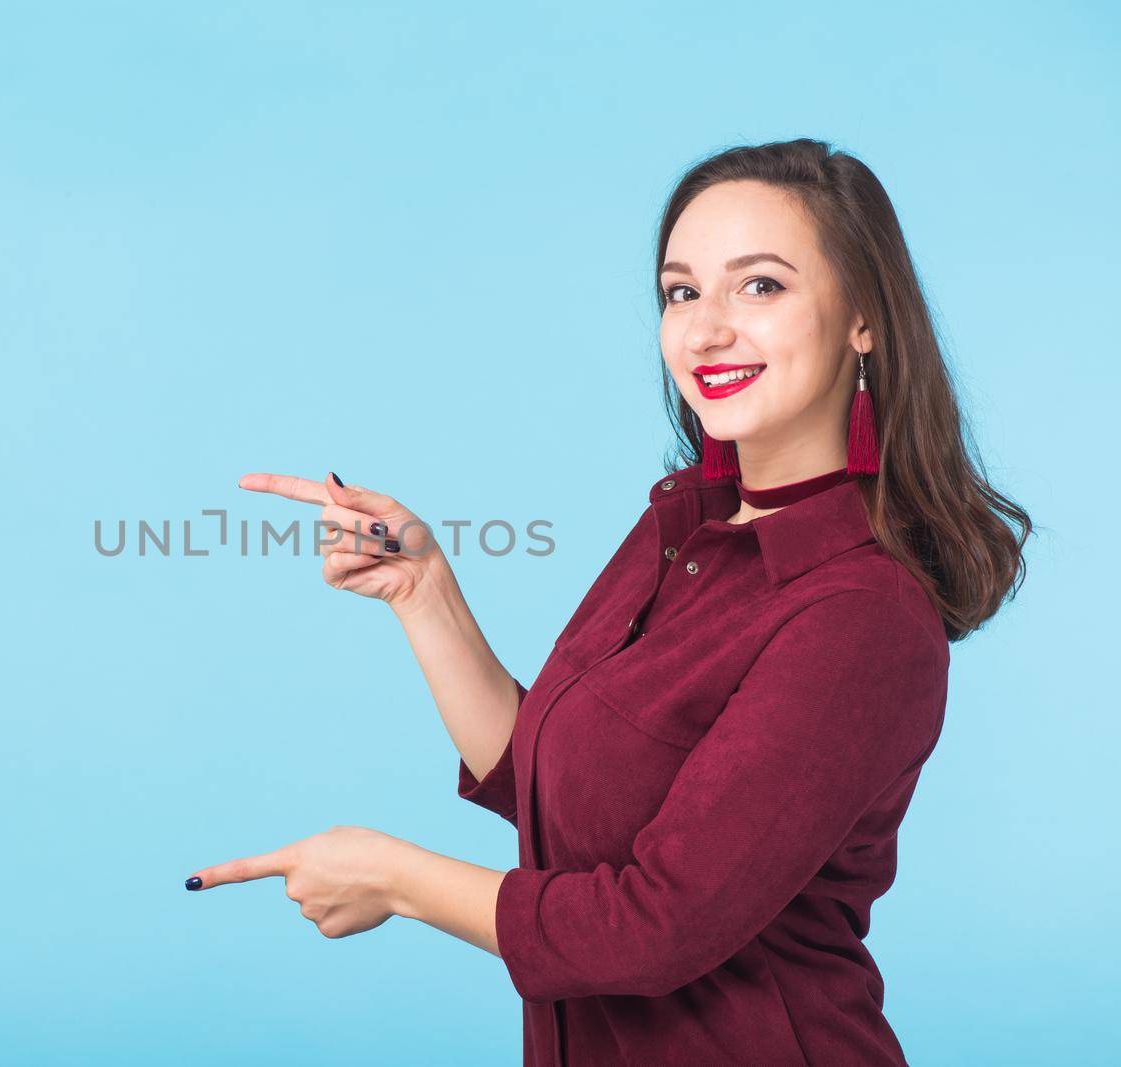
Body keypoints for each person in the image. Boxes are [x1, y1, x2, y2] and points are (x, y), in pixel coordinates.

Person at [184, 138, 1031, 1065]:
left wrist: (394, 877)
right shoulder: (682, 525)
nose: (706, 329)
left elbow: (654, 924)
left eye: (760, 286)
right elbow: (547, 788)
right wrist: (423, 591)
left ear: (864, 317)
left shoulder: (860, 615)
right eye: (681, 291)